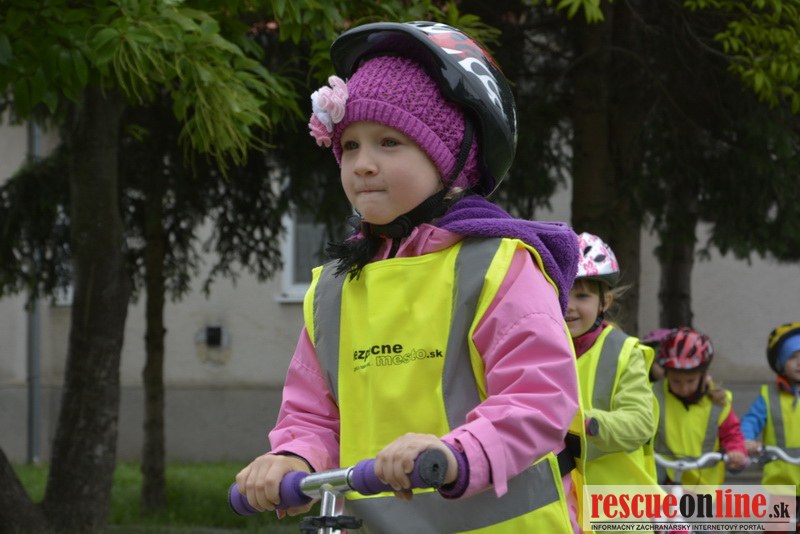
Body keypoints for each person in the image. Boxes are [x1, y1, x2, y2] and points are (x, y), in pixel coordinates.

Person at [235, 21, 585, 533]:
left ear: (451, 163)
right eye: (349, 146)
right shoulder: (333, 288)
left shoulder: (497, 265)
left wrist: (457, 452)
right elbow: (313, 414)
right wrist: (293, 456)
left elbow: (539, 398)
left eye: (388, 142)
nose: (362, 164)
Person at [566, 232, 658, 487]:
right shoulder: (537, 348)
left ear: (605, 302)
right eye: (561, 293)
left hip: (615, 498)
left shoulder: (625, 352)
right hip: (562, 497)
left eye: (582, 296)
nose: (568, 305)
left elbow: (640, 423)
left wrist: (587, 423)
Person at [653, 327, 748, 488]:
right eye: (676, 381)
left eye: (690, 381)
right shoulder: (654, 396)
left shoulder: (718, 402)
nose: (684, 388)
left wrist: (736, 451)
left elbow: (732, 434)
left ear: (703, 375)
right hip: (664, 482)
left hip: (703, 488)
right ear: (666, 374)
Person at [740, 322, 800, 491]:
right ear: (780, 362)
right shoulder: (769, 395)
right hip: (781, 483)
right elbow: (751, 420)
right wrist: (746, 439)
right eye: (792, 356)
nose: (799, 362)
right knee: (779, 511)